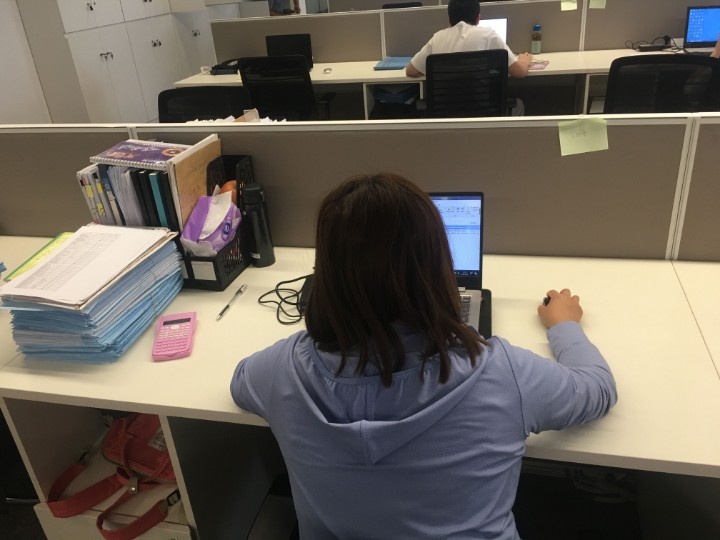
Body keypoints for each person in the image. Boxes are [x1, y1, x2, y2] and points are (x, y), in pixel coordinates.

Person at [230, 173, 617, 539]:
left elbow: (241, 382)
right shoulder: (500, 373)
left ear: (325, 274)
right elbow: (598, 388)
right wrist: (564, 325)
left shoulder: (283, 370)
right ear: (439, 268)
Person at [406, 0, 532, 79]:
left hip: (445, 110)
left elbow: (410, 71)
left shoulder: (437, 38)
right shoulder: (489, 35)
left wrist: (435, 73)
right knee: (518, 105)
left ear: (449, 20)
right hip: (482, 110)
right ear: (478, 19)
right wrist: (523, 61)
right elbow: (519, 73)